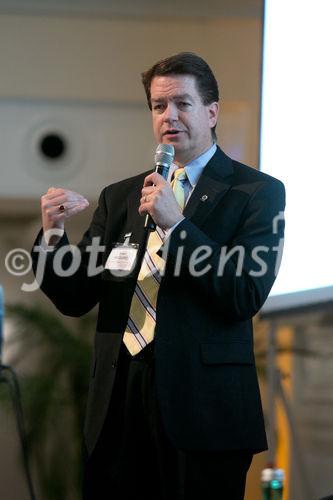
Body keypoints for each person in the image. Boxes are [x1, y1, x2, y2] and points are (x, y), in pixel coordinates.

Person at [32, 52, 285, 500]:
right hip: (118, 404)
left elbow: (244, 292)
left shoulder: (256, 193)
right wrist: (53, 235)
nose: (169, 116)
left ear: (212, 112)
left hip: (202, 413)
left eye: (182, 104)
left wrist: (177, 226)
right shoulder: (123, 197)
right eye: (158, 106)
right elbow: (75, 297)